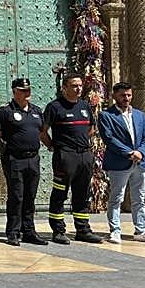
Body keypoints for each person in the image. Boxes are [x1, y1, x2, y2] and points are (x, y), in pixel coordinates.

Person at [41, 72, 103, 244]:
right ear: (64, 88)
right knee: (60, 192)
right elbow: (42, 132)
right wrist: (53, 146)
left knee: (82, 193)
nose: (78, 89)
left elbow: (91, 129)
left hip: (84, 155)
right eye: (74, 86)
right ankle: (58, 230)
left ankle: (83, 229)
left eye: (80, 86)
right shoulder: (54, 107)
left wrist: (81, 141)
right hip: (65, 156)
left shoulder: (84, 106)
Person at [0, 77, 48, 247]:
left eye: (28, 89)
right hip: (14, 159)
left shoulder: (36, 111)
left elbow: (42, 133)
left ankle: (29, 230)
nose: (27, 93)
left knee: (30, 195)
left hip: (33, 159)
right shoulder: (5, 111)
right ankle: (13, 232)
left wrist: (51, 146)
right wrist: (5, 149)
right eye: (23, 90)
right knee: (17, 196)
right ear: (14, 91)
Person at [98, 81, 145, 245]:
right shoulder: (106, 115)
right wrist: (129, 153)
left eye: (129, 95)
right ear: (114, 96)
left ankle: (141, 230)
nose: (126, 98)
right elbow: (109, 138)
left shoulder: (139, 115)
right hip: (119, 163)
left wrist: (141, 152)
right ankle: (115, 230)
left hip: (140, 162)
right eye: (122, 95)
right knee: (116, 197)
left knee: (139, 198)